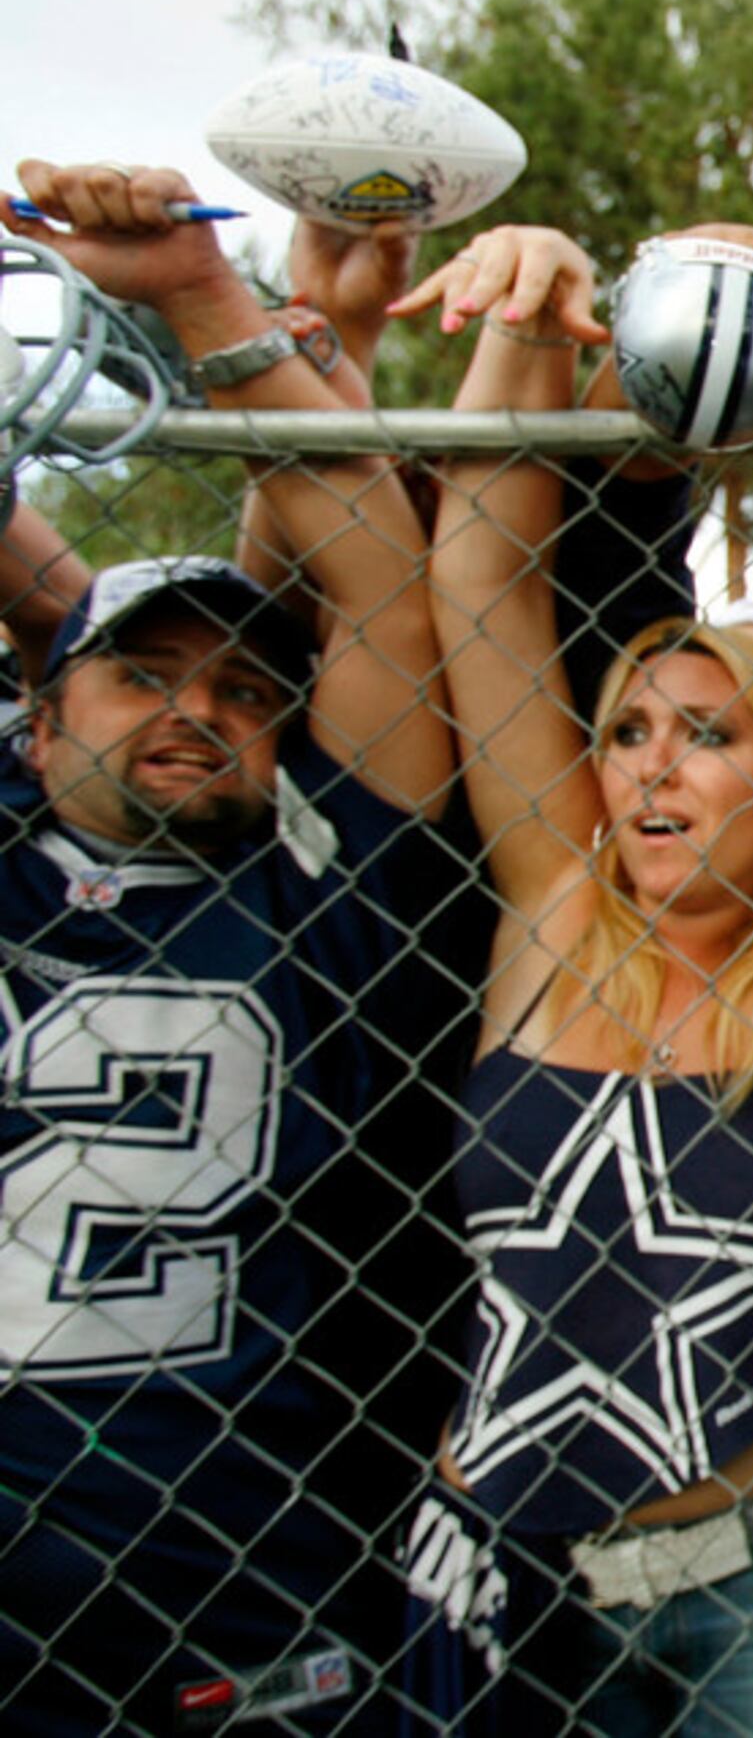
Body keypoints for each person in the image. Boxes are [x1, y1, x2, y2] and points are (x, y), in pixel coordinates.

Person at [414, 221, 753, 1731]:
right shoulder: (549, 917)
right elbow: (476, 574)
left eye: (711, 734)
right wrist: (532, 312)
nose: (656, 765)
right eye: (629, 729)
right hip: (507, 1566)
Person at [1, 160, 453, 1731]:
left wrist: (210, 294)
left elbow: (385, 599)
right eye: (144, 675)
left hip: (248, 1571)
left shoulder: (311, 883)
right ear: (38, 716)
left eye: (248, 691)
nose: (201, 710)